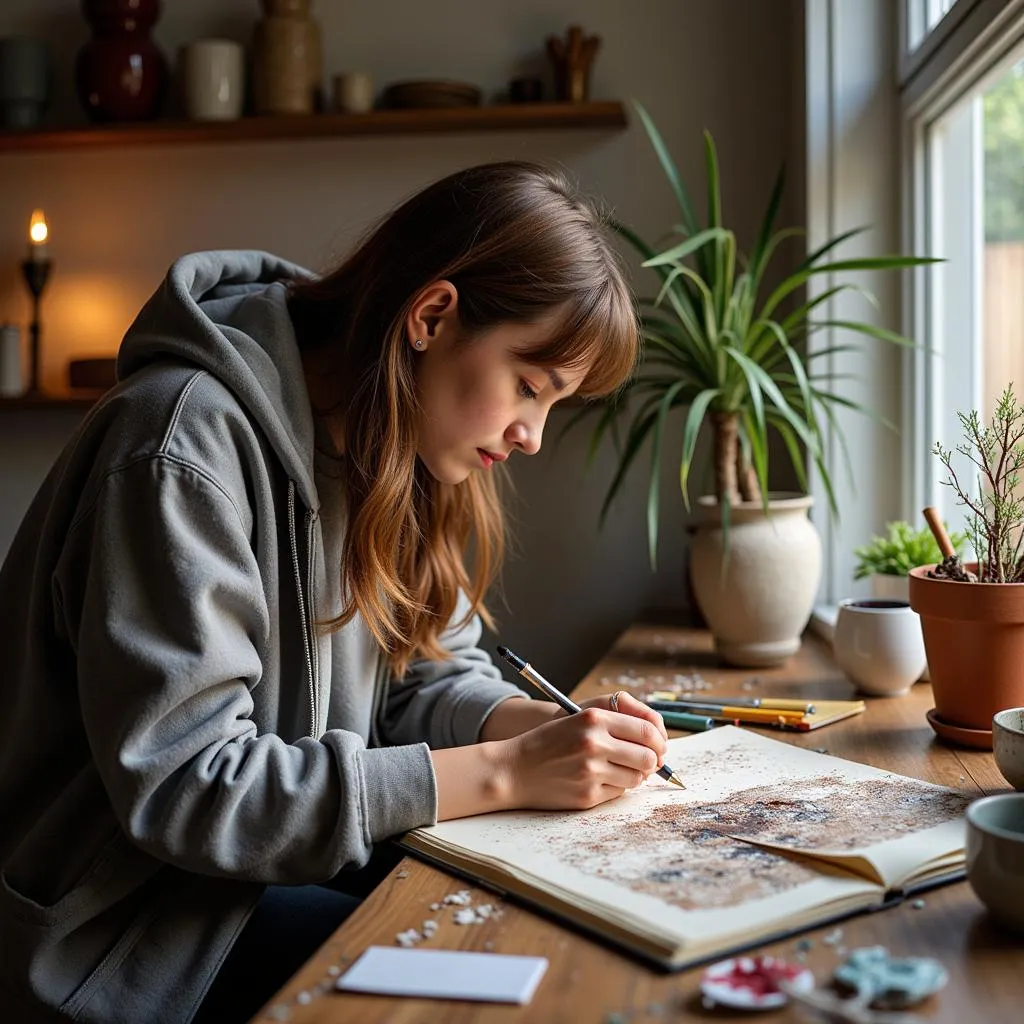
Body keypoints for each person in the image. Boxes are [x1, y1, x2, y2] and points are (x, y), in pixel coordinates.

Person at [0, 161, 667, 1024]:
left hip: (265, 880)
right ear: (432, 316)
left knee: (552, 956)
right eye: (530, 387)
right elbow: (191, 790)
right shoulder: (176, 450)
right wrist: (503, 773)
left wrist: (516, 724)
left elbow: (426, 671)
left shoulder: (406, 441)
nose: (532, 436)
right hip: (126, 946)